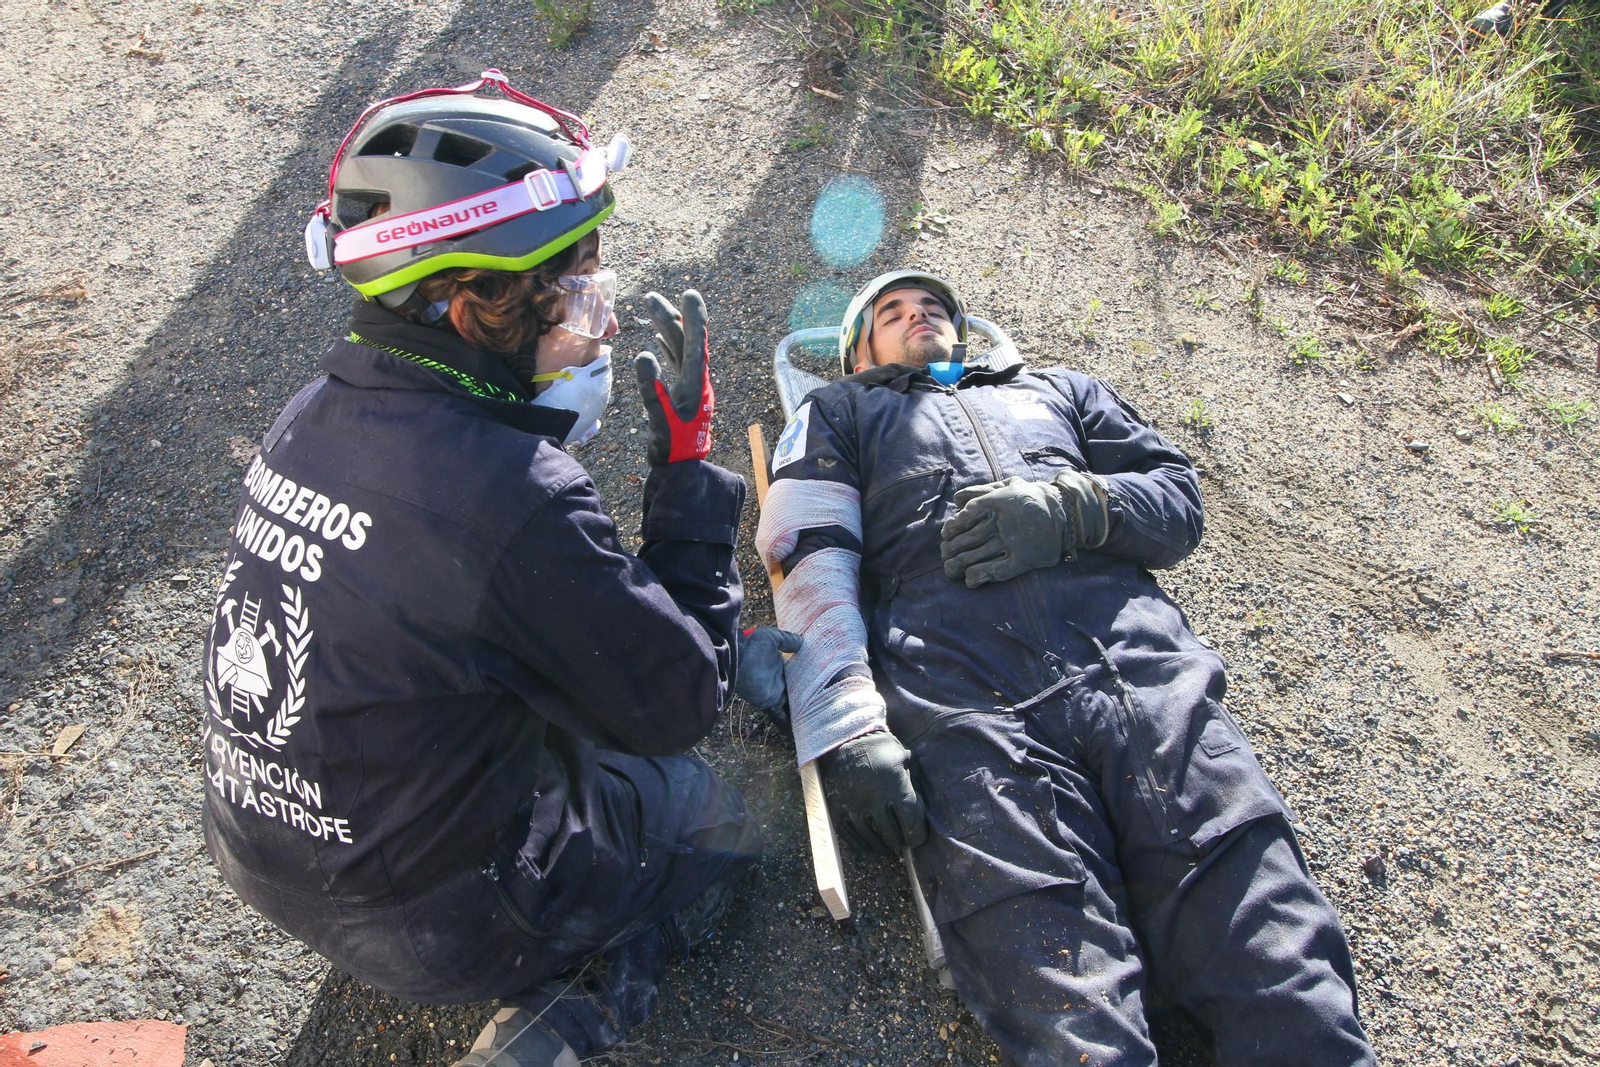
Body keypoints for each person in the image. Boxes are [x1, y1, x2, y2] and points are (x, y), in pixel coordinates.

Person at [201, 71, 759, 1067]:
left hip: (258, 849)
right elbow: (682, 699)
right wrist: (687, 478)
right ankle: (566, 1012)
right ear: (470, 309)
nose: (602, 321)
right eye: (576, 290)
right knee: (705, 811)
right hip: (432, 919)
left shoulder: (314, 410)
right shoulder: (516, 495)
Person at [750, 270, 1377, 1066]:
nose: (918, 316)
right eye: (892, 313)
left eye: (933, 307)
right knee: (1071, 1005)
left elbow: (1177, 500)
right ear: (857, 355)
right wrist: (846, 726)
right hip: (969, 704)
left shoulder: (1057, 391)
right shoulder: (841, 410)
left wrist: (1075, 508)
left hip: (1143, 677)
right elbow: (808, 555)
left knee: (1276, 958)